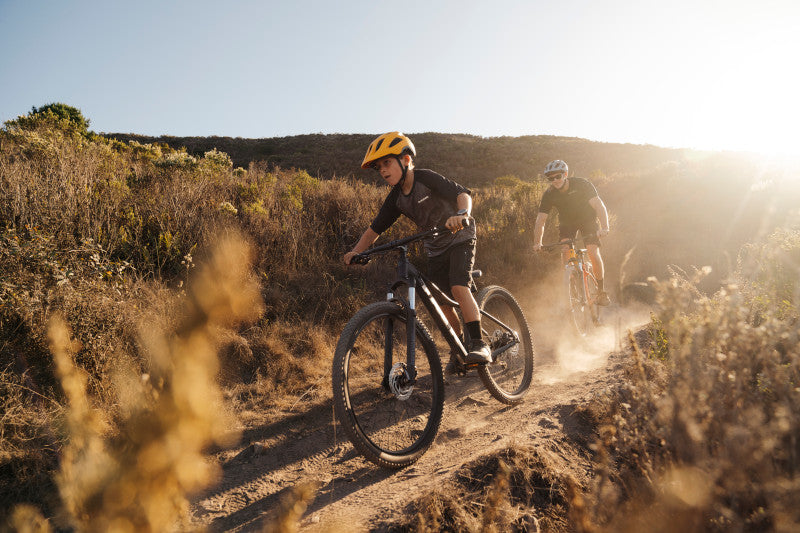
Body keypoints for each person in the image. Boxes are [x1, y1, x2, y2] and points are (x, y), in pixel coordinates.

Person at [343, 132, 491, 373]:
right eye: (379, 167)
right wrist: (356, 252)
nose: (383, 170)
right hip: (435, 247)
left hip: (459, 237)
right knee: (442, 304)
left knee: (458, 287)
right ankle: (460, 349)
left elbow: (462, 193)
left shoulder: (425, 178)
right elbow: (374, 229)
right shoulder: (395, 199)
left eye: (387, 162)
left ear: (406, 160)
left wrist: (462, 213)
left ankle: (479, 344)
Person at [532, 159, 612, 305]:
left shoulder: (582, 184)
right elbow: (540, 220)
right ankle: (571, 284)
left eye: (558, 176)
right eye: (551, 178)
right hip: (567, 223)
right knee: (565, 249)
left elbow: (599, 205)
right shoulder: (549, 194)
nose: (555, 181)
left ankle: (601, 292)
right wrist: (537, 242)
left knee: (592, 251)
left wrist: (604, 227)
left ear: (565, 174)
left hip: (587, 220)